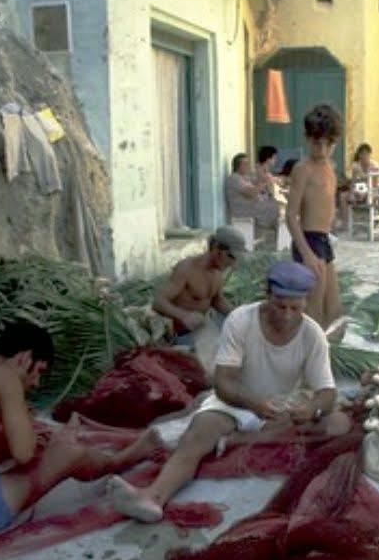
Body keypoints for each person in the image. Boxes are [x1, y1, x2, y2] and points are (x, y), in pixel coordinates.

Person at [108, 261, 352, 522]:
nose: (288, 314)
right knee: (199, 432)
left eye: (296, 308)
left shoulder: (312, 334)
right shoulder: (241, 320)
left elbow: (327, 393)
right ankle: (153, 497)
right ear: (267, 294)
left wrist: (311, 408)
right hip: (237, 402)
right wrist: (254, 402)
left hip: (281, 409)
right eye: (281, 305)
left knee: (338, 423)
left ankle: (235, 440)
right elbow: (224, 383)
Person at [0, 321, 159, 539]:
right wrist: (53, 445)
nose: (36, 383)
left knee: (45, 442)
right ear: (23, 359)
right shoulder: (6, 376)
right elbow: (24, 453)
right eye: (38, 371)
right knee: (68, 453)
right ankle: (123, 460)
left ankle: (97, 458)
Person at [286, 104, 345, 329]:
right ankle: (307, 358)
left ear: (333, 143)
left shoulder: (330, 167)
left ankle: (327, 355)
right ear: (308, 139)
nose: (321, 148)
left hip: (324, 239)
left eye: (326, 143)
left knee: (335, 311)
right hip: (308, 240)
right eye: (316, 142)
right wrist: (307, 254)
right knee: (314, 311)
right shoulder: (303, 169)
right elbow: (291, 216)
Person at [152, 226, 246, 347]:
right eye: (231, 257)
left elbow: (217, 300)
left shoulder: (217, 272)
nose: (233, 263)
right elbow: (157, 302)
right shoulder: (186, 269)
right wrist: (183, 316)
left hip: (205, 328)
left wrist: (237, 314)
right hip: (186, 334)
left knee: (243, 338)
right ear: (217, 249)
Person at [225, 152, 280, 251]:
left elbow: (257, 180)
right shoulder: (234, 178)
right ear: (238, 165)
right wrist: (263, 182)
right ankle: (280, 242)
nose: (248, 166)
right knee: (278, 211)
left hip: (253, 207)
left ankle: (278, 239)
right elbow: (252, 193)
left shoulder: (244, 177)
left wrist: (263, 175)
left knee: (277, 207)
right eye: (245, 164)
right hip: (244, 211)